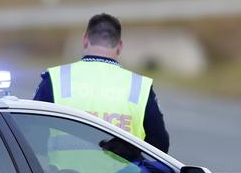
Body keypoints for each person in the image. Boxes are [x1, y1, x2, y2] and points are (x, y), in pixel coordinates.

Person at [34, 13, 169, 153]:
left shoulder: (57, 79)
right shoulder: (139, 87)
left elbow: (32, 133)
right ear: (120, 46)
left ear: (85, 40)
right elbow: (160, 146)